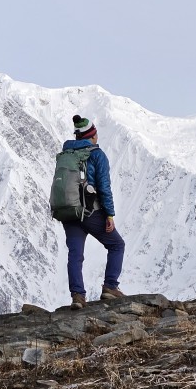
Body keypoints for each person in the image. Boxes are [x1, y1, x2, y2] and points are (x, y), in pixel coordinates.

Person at [61, 115, 126, 310]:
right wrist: (109, 215)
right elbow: (104, 187)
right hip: (90, 211)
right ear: (93, 135)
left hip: (68, 210)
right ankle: (110, 287)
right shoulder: (97, 155)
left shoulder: (66, 154)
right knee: (116, 245)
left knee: (75, 254)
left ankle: (78, 296)